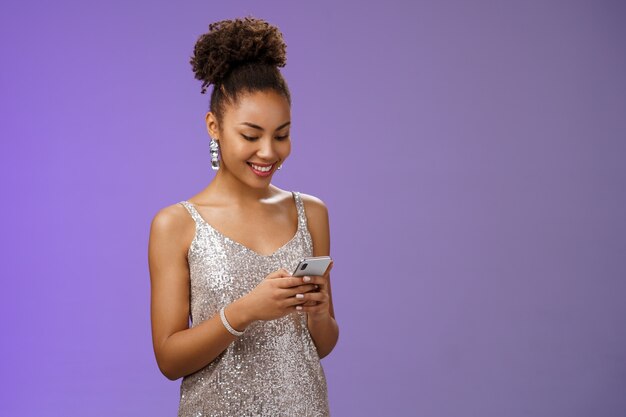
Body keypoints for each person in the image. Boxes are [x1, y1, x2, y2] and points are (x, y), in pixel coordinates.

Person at [147, 16, 339, 416]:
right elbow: (168, 359)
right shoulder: (177, 224)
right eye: (251, 136)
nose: (268, 151)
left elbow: (320, 345)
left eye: (281, 135)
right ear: (214, 127)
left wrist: (319, 314)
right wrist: (245, 310)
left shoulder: (312, 213)